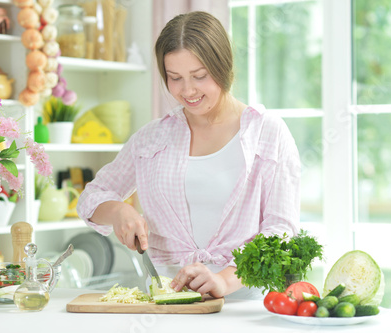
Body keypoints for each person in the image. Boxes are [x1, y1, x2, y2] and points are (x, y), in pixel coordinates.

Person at [77, 11, 300, 299]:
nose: (188, 90)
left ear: (223, 67)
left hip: (244, 301)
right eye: (175, 78)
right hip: (165, 300)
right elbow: (91, 197)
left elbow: (281, 230)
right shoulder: (152, 138)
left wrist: (224, 280)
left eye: (199, 76)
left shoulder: (267, 132)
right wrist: (119, 210)